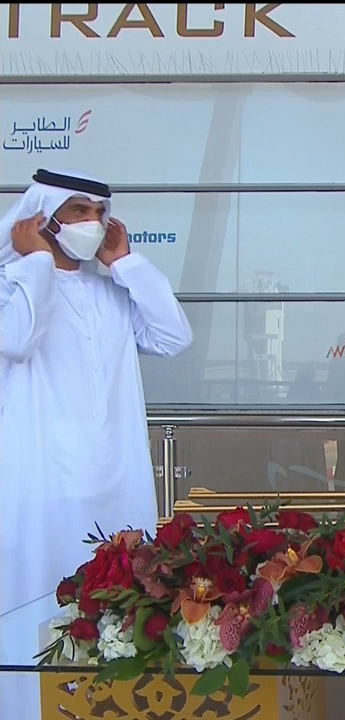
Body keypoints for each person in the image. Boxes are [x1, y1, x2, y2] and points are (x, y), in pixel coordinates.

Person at [0, 169, 193, 716]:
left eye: (99, 212)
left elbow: (174, 336)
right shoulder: (12, 286)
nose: (92, 222)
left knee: (116, 619)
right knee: (35, 618)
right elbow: (17, 339)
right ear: (44, 218)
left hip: (115, 487)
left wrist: (125, 262)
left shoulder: (110, 293)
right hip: (42, 494)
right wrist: (36, 261)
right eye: (79, 211)